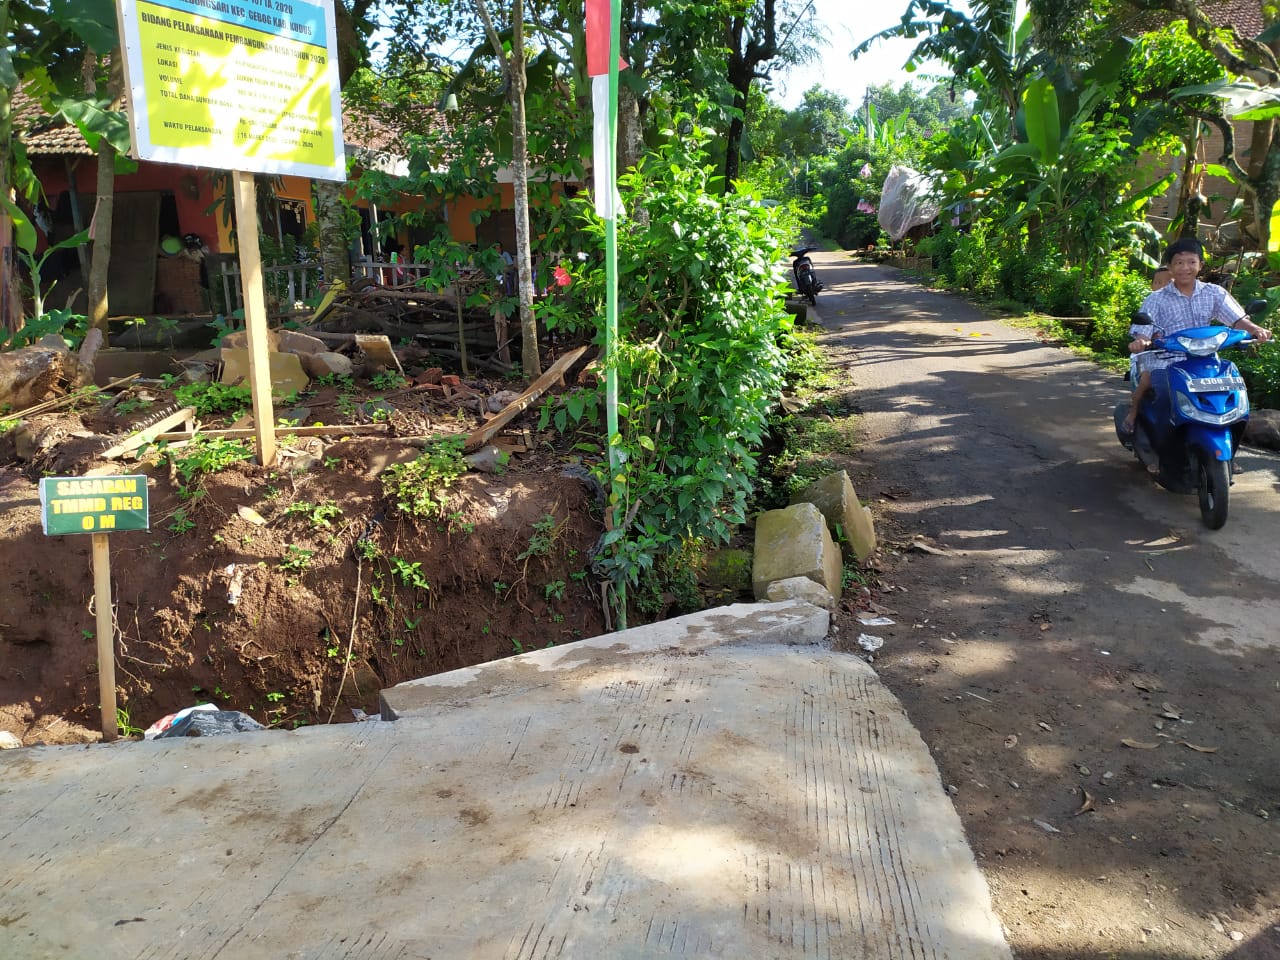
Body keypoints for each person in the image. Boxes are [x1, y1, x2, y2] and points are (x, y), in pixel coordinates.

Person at [1123, 238, 1272, 433]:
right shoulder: (1156, 299)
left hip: (1206, 359)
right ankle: (1158, 449)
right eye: (1179, 262)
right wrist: (1141, 341)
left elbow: (1237, 319)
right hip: (1167, 359)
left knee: (1232, 394)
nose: (1185, 268)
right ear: (1170, 266)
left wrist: (1255, 330)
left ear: (1200, 265)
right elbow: (1143, 333)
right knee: (1165, 395)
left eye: (1192, 262)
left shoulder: (1214, 293)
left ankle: (1224, 451)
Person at [1126, 266, 1172, 383]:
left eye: (1169, 282)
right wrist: (1141, 341)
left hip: (1184, 355)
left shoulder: (1187, 300)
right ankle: (1136, 400)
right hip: (1153, 355)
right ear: (1152, 286)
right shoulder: (1151, 301)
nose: (1163, 286)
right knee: (1147, 381)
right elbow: (1143, 330)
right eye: (1158, 282)